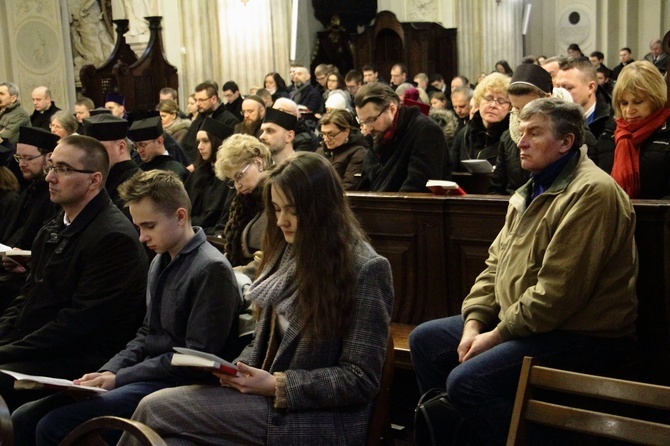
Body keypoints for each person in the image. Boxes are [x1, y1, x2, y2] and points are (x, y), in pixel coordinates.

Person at [119, 151, 394, 446]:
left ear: (323, 208)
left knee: (154, 407)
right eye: (276, 209)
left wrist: (278, 384)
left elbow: (360, 379)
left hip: (317, 418)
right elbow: (261, 341)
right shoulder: (286, 252)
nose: (282, 221)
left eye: (293, 210)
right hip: (266, 400)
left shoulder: (366, 268)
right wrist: (236, 369)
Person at [410, 98, 638, 445]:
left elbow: (556, 295)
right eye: (521, 132)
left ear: (566, 142)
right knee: (425, 340)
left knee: (467, 381)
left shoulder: (592, 192)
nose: (521, 141)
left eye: (534, 133)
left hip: (581, 333)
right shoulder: (531, 188)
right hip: (527, 322)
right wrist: (473, 323)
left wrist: (495, 335)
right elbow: (493, 267)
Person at [11, 169, 243, 445]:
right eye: (138, 227)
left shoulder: (210, 268)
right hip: (147, 374)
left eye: (149, 226)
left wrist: (119, 377)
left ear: (180, 217)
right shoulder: (161, 259)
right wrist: (108, 371)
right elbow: (146, 333)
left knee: (53, 425)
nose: (142, 237)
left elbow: (195, 360)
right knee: (25, 415)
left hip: (175, 386)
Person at [0, 135, 148, 411]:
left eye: (63, 169)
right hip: (46, 346)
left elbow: (77, 324)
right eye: (51, 167)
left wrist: (7, 350)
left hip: (82, 361)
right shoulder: (55, 226)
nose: (50, 178)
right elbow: (27, 297)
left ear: (94, 180)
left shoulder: (113, 238)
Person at [594, 60, 670, 199]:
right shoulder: (608, 133)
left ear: (656, 99)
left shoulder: (666, 133)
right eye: (624, 103)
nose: (629, 110)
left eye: (638, 102)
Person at [354, 82, 446, 191]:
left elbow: (418, 186)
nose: (367, 129)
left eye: (371, 120)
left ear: (392, 109)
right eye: (362, 122)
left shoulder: (426, 131)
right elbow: (366, 183)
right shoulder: (378, 135)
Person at [214, 133, 273, 276]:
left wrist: (233, 274)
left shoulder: (277, 197)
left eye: (239, 176)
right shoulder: (244, 201)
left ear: (259, 163)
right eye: (233, 180)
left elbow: (272, 257)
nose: (237, 186)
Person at [490, 63, 553, 195]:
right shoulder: (508, 137)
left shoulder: (567, 134)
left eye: (528, 108)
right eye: (516, 108)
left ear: (547, 99)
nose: (521, 115)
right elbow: (497, 186)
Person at [450, 73, 511, 172]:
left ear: (510, 107)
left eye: (501, 101)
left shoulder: (512, 138)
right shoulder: (464, 134)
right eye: (488, 98)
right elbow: (451, 170)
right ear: (479, 101)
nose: (493, 105)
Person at [184, 117, 234, 234]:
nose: (199, 146)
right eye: (198, 141)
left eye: (205, 141)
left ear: (218, 143)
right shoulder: (198, 174)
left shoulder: (230, 178)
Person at [81, 113, 139, 213]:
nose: (90, 155)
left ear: (121, 147)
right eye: (87, 150)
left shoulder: (137, 186)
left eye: (98, 148)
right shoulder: (98, 179)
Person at [316, 109, 366, 190]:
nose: (326, 139)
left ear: (346, 131)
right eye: (323, 134)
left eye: (331, 135)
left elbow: (349, 187)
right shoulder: (320, 152)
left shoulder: (358, 153)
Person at [128, 116, 188, 181]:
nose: (139, 150)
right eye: (136, 146)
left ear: (159, 142)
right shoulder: (137, 169)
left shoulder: (177, 171)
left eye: (142, 145)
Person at [0, 82, 30, 146]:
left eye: (1, 94)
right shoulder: (2, 112)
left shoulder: (20, 115)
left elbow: (4, 139)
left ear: (13, 98)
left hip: (13, 154)